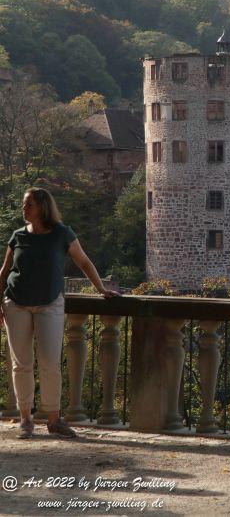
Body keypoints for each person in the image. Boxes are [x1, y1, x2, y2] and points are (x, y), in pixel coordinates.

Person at [0, 187, 120, 439]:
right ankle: (25, 419)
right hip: (16, 303)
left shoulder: (61, 234)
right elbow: (4, 271)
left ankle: (54, 419)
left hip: (49, 304)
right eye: (25, 204)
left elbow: (83, 261)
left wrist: (101, 288)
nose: (24, 209)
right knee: (21, 364)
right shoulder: (18, 236)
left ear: (42, 208)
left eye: (28, 204)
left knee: (50, 363)